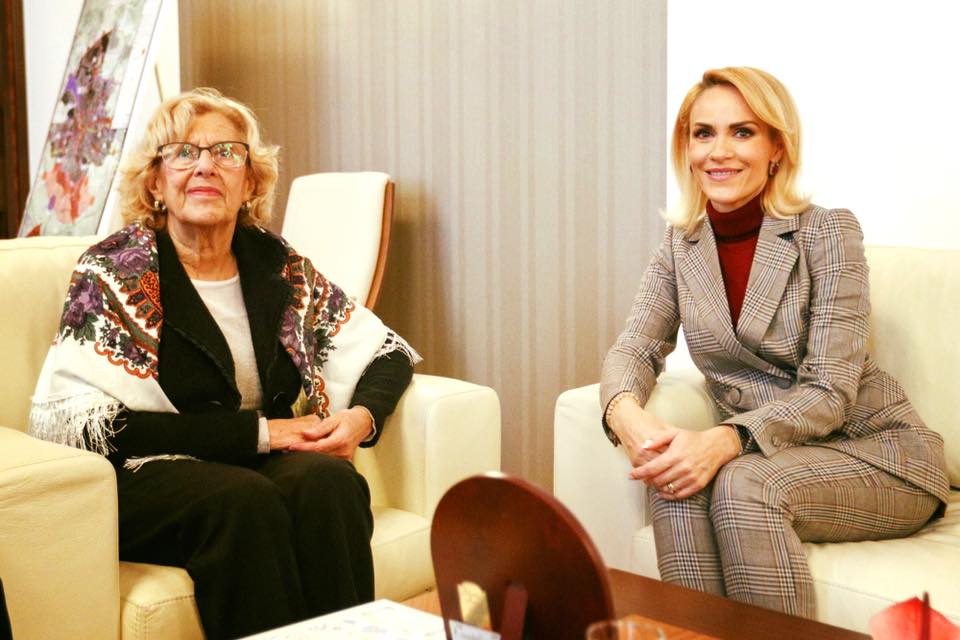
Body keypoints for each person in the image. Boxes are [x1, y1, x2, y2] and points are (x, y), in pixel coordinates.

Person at [28, 88, 419, 639]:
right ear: (155, 182)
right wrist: (263, 434)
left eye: (227, 153)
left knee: (329, 482)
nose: (205, 167)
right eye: (183, 153)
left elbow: (387, 352)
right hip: (146, 472)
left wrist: (361, 419)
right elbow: (92, 429)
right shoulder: (113, 271)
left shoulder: (277, 264)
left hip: (245, 463)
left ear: (250, 181)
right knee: (242, 503)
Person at [600, 67, 949, 618]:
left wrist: (726, 439)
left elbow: (830, 390)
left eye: (742, 132)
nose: (719, 151)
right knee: (674, 479)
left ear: (777, 148)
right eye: (703, 133)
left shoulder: (827, 232)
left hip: (877, 452)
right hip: (770, 455)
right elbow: (634, 348)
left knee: (742, 482)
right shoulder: (680, 245)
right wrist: (626, 416)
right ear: (686, 149)